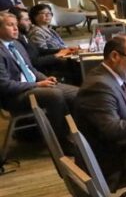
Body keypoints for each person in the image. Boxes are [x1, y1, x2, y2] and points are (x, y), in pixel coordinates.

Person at [73, 35, 126, 187]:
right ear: (114, 56)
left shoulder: (110, 75)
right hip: (112, 165)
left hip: (118, 151)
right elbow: (112, 129)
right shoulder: (98, 86)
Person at [0, 12, 78, 150]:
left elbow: (30, 69)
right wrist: (37, 84)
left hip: (34, 85)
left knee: (76, 92)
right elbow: (4, 85)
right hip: (15, 95)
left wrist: (44, 78)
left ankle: (76, 135)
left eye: (16, 24)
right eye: (10, 25)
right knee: (55, 95)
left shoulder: (17, 44)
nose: (16, 28)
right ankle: (61, 142)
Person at [10, 7, 73, 74]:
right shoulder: (17, 40)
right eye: (26, 20)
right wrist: (56, 55)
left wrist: (62, 51)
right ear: (16, 22)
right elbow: (33, 62)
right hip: (43, 71)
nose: (30, 23)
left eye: (49, 13)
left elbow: (39, 50)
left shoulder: (23, 36)